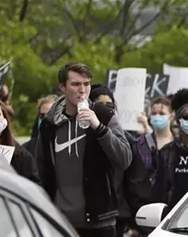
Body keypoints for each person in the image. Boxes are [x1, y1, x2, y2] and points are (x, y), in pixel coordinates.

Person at [36, 63, 132, 237]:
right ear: (63, 87)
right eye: (75, 84)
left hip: (99, 221)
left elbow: (124, 159)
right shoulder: (49, 124)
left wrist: (100, 128)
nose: (82, 90)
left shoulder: (104, 115)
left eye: (86, 84)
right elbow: (40, 169)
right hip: (60, 220)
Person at [89, 85, 151, 237]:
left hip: (117, 216)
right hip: (86, 215)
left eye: (109, 106)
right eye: (99, 106)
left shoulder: (128, 142)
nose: (105, 110)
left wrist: (136, 222)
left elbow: (135, 183)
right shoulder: (80, 139)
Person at [136, 97, 175, 185]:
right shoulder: (141, 143)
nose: (157, 116)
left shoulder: (179, 143)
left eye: (162, 113)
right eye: (154, 113)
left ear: (171, 116)